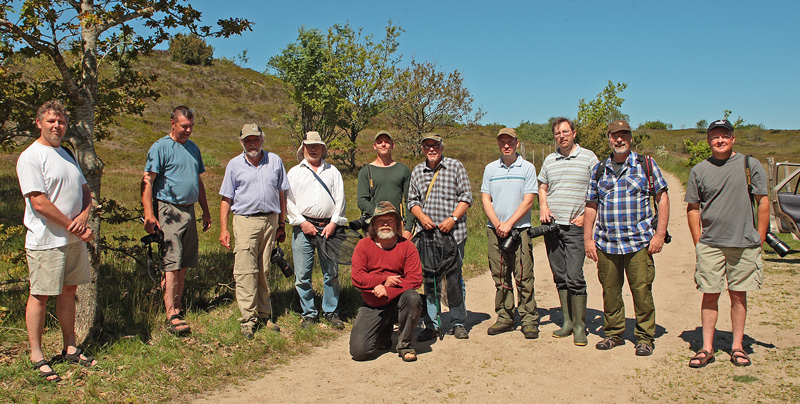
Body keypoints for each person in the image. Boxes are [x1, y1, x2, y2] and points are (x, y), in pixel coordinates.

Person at [17, 100, 98, 382]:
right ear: (39, 123)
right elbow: (39, 202)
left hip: (72, 238)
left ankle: (70, 347)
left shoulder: (66, 153)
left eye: (61, 121)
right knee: (40, 294)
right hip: (47, 239)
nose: (57, 126)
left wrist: (85, 216)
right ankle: (37, 354)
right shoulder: (31, 156)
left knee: (68, 290)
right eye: (51, 121)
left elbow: (85, 190)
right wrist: (74, 227)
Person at [685, 119, 767, 368]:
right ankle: (706, 347)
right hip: (711, 243)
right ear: (709, 140)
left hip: (743, 243)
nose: (719, 140)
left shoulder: (749, 165)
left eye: (724, 136)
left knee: (738, 296)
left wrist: (760, 239)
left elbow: (763, 202)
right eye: (714, 136)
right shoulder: (699, 170)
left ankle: (738, 346)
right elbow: (693, 208)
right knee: (709, 294)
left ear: (733, 138)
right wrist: (699, 243)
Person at [584, 120, 669, 357]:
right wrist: (588, 239)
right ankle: (613, 333)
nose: (619, 140)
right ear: (609, 139)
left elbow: (662, 198)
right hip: (607, 243)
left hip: (638, 242)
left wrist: (660, 234)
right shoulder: (599, 169)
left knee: (641, 290)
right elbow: (591, 204)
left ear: (631, 138)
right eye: (614, 136)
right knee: (610, 291)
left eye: (624, 135)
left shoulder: (646, 165)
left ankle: (644, 337)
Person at [141, 105, 212, 336]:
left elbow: (197, 182)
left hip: (189, 210)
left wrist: (205, 210)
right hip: (169, 209)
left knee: (183, 262)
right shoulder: (161, 147)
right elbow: (148, 180)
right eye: (184, 126)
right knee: (171, 262)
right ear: (173, 123)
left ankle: (178, 306)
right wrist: (149, 214)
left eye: (191, 126)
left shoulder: (193, 149)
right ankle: (170, 312)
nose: (188, 130)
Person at [219, 123, 289, 339]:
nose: (252, 143)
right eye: (248, 140)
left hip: (270, 220)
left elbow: (281, 194)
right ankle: (248, 320)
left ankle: (265, 314)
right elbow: (226, 199)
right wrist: (224, 228)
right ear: (242, 142)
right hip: (245, 221)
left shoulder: (275, 161)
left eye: (256, 139)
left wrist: (282, 223)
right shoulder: (234, 165)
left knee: (264, 269)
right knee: (245, 270)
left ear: (262, 140)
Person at [538, 118, 599, 346]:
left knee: (575, 276)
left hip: (576, 227)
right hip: (552, 226)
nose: (561, 136)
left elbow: (599, 188)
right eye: (557, 133)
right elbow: (542, 186)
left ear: (574, 133)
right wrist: (543, 205)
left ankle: (580, 326)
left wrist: (587, 215)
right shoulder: (549, 160)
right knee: (560, 275)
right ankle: (567, 322)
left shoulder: (589, 157)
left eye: (565, 132)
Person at [408, 133, 473, 340]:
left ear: (442, 147)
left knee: (454, 279)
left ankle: (458, 321)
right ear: (423, 149)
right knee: (430, 280)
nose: (431, 149)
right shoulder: (418, 171)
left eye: (435, 145)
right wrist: (422, 217)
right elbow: (412, 201)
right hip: (427, 235)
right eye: (427, 146)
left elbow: (466, 197)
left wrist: (453, 218)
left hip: (453, 234)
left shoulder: (455, 166)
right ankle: (432, 325)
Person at [480, 127, 540, 339]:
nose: (506, 145)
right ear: (498, 144)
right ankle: (505, 316)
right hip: (494, 230)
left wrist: (510, 223)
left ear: (516, 143)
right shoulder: (490, 169)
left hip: (520, 230)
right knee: (500, 274)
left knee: (524, 275)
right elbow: (486, 198)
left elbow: (529, 200)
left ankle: (529, 318)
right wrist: (497, 223)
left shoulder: (527, 168)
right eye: (503, 142)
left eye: (510, 142)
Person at [286, 131, 347, 329]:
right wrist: (302, 222)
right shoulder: (294, 173)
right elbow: (288, 201)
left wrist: (334, 223)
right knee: (303, 274)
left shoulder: (332, 172)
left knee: (331, 272)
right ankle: (309, 313)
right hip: (302, 228)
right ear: (303, 148)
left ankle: (331, 311)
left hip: (328, 228)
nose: (313, 149)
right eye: (309, 146)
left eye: (317, 146)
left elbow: (340, 200)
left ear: (322, 149)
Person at [350, 201, 423, 362]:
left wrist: (389, 290)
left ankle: (405, 345)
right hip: (372, 304)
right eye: (380, 221)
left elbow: (415, 278)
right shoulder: (363, 245)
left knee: (413, 297)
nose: (385, 224)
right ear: (373, 225)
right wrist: (384, 281)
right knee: (359, 352)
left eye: (390, 220)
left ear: (397, 224)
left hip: (399, 302)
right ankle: (384, 331)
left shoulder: (407, 247)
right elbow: (357, 277)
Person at [356, 130, 413, 239]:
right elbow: (361, 200)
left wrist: (408, 229)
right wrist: (380, 215)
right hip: (373, 227)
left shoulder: (403, 170)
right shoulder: (366, 171)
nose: (383, 144)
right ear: (374, 146)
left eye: (387, 142)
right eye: (379, 142)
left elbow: (410, 201)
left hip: (397, 226)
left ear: (392, 145)